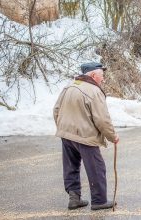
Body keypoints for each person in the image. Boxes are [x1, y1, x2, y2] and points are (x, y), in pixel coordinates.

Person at [53, 62, 119, 210]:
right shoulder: (94, 91)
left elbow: (56, 110)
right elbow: (102, 119)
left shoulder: (69, 87)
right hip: (85, 136)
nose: (103, 79)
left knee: (71, 167)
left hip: (66, 134)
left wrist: (63, 127)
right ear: (94, 75)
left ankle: (74, 198)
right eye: (102, 75)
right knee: (97, 168)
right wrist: (112, 136)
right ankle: (99, 201)